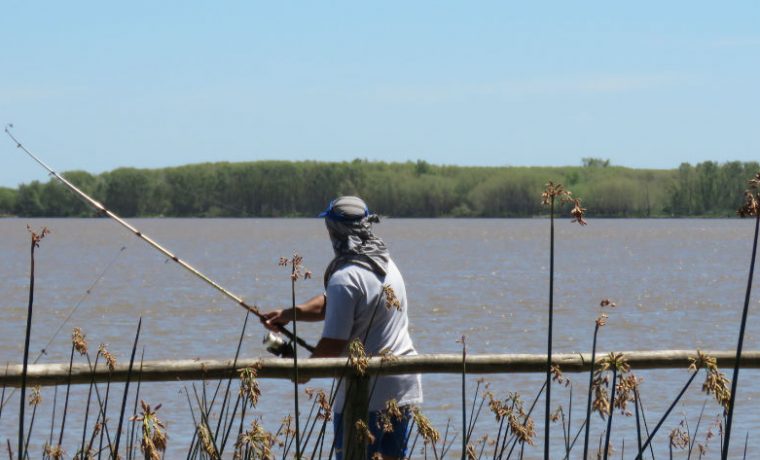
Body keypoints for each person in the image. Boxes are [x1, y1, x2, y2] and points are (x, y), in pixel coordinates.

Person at [263, 196, 423, 460]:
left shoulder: (345, 277)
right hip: (403, 386)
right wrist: (288, 314)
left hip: (366, 394)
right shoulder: (385, 263)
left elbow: (333, 344)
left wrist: (304, 372)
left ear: (333, 230)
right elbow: (333, 304)